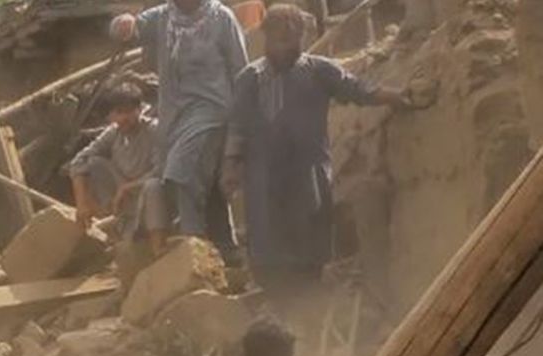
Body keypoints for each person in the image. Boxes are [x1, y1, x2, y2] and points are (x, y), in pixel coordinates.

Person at [225, 5, 410, 305]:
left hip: (307, 173)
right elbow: (237, 125)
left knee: (309, 243)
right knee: (267, 246)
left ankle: (308, 304)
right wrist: (231, 165)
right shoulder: (250, 78)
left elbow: (358, 89)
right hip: (263, 178)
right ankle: (277, 304)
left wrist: (397, 96)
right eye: (279, 40)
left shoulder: (320, 71)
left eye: (291, 41)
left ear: (302, 37)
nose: (285, 48)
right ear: (266, 38)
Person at [111, 0, 248, 264]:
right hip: (175, 116)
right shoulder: (163, 17)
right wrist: (123, 24)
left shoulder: (221, 18)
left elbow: (241, 70)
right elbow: (125, 29)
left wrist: (241, 123)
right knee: (206, 182)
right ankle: (226, 249)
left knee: (181, 172)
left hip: (212, 110)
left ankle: (195, 248)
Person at [68, 82, 166, 249]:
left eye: (129, 112)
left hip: (151, 196)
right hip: (124, 200)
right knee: (93, 164)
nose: (123, 118)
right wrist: (81, 204)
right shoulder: (113, 133)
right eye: (119, 112)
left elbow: (161, 170)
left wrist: (128, 187)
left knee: (153, 186)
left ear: (140, 109)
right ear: (111, 115)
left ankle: (158, 247)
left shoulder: (154, 130)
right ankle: (116, 224)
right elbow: (78, 161)